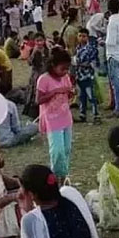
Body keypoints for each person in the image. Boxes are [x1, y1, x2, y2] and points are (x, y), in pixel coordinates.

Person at [37, 48, 74, 184]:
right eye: (62, 69)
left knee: (66, 149)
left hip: (65, 117)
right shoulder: (44, 79)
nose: (65, 72)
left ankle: (63, 177)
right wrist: (55, 92)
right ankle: (56, 177)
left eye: (67, 69)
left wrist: (70, 92)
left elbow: (69, 92)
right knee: (57, 151)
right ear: (53, 66)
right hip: (52, 120)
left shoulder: (65, 77)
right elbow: (39, 100)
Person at [74, 28, 101, 123]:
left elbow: (95, 63)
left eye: (84, 36)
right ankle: (83, 114)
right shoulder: (77, 48)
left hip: (88, 75)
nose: (81, 38)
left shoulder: (91, 49)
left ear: (87, 37)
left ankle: (96, 115)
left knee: (91, 96)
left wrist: (82, 64)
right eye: (80, 36)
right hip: (79, 75)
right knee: (82, 96)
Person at [23, 32, 50, 118]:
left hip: (46, 74)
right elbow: (29, 63)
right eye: (37, 41)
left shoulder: (47, 50)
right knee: (35, 92)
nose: (39, 43)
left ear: (44, 41)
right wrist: (34, 53)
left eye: (41, 40)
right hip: (36, 75)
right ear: (34, 41)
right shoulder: (32, 50)